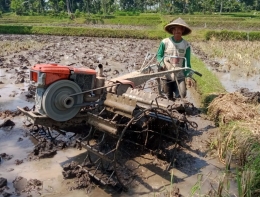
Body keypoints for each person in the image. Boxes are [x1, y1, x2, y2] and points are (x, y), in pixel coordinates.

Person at [157, 17, 193, 99]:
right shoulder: (165, 42)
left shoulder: (186, 45)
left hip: (179, 75)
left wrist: (188, 77)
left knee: (182, 94)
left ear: (182, 30)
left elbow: (187, 63)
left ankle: (178, 107)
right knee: (167, 96)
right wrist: (162, 64)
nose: (177, 31)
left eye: (179, 29)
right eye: (175, 29)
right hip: (166, 74)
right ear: (172, 31)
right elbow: (159, 56)